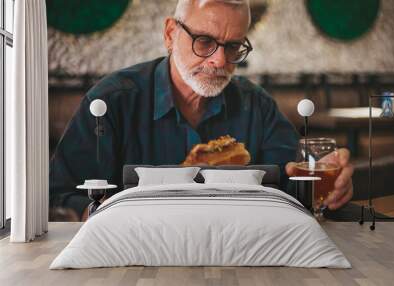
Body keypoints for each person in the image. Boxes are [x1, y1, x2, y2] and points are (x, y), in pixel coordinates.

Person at [50, 0, 353, 221]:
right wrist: (97, 215)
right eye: (204, 41)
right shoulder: (112, 102)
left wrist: (330, 189)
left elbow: (293, 184)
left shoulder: (256, 105)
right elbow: (59, 196)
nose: (220, 61)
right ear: (170, 34)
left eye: (233, 46)